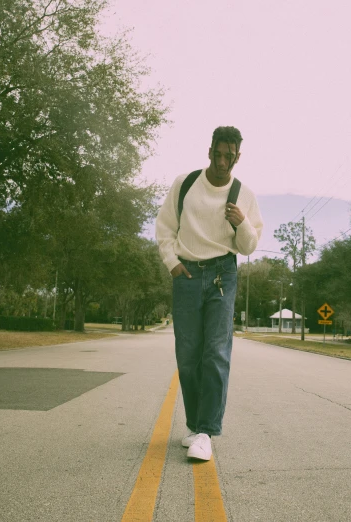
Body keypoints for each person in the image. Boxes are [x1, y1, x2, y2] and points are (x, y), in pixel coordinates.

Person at [155, 126, 263, 461]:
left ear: (237, 157)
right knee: (188, 355)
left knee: (215, 352)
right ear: (209, 151)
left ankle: (206, 431)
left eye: (228, 157)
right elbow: (164, 226)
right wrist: (172, 262)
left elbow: (248, 246)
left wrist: (241, 222)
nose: (221, 161)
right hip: (187, 274)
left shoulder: (243, 194)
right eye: (216, 154)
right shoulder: (185, 184)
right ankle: (195, 425)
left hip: (222, 275)